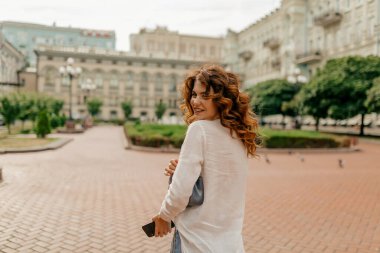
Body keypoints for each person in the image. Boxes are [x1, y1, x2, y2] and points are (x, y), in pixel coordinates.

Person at [151, 64, 259, 252]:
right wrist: (181, 171)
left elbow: (180, 192)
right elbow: (219, 182)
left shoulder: (199, 130)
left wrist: (164, 216)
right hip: (230, 243)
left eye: (205, 96)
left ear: (221, 100)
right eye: (194, 94)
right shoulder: (239, 135)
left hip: (195, 242)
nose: (196, 102)